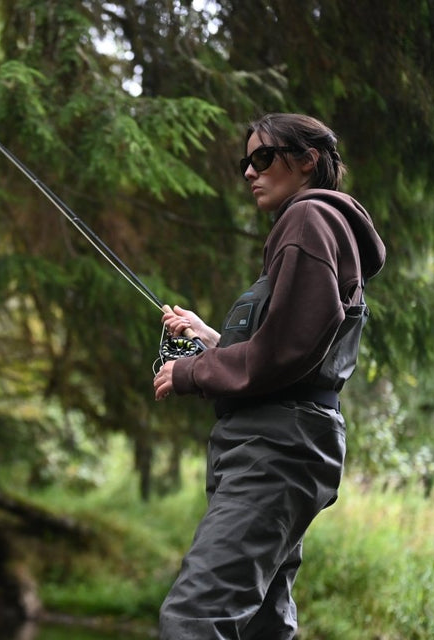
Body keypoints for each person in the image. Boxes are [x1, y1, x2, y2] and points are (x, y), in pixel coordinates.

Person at [152, 113, 386, 640]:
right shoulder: (312, 227)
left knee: (194, 618)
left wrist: (193, 371)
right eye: (245, 162)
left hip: (276, 448)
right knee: (262, 624)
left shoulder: (307, 220)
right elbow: (291, 344)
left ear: (307, 160)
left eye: (263, 158)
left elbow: (288, 350)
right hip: (280, 445)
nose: (250, 172)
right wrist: (210, 338)